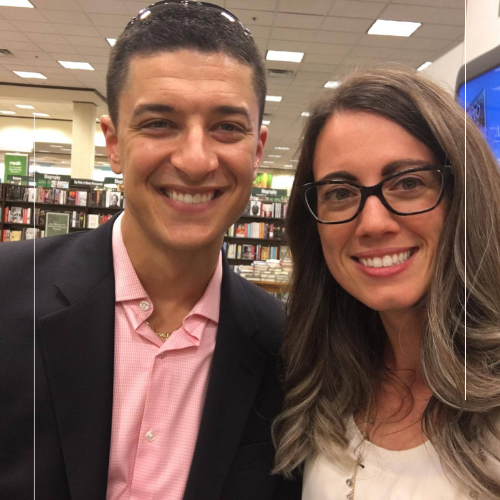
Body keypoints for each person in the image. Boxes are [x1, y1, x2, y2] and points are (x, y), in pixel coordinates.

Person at [0, 2, 302, 499]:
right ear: (113, 143)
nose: (196, 161)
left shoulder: (287, 351)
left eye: (227, 127)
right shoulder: (9, 293)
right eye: (160, 123)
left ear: (257, 150)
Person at [272, 68, 500, 499]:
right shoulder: (320, 383)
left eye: (409, 183)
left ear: (466, 197)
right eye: (340, 193)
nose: (373, 223)